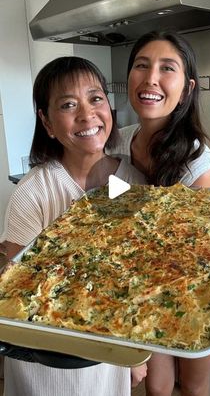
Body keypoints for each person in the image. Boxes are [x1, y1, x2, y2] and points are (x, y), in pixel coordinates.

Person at [0, 56, 147, 396]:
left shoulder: (134, 181)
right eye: (68, 104)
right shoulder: (33, 192)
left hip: (108, 357)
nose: (86, 114)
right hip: (46, 365)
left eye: (95, 98)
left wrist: (135, 354)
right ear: (47, 122)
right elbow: (16, 293)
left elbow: (139, 279)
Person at [108, 30, 210, 396]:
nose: (151, 79)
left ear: (187, 87)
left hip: (194, 292)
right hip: (142, 283)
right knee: (157, 386)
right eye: (141, 66)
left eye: (167, 68)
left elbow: (194, 261)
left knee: (193, 388)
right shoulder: (118, 142)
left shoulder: (199, 165)